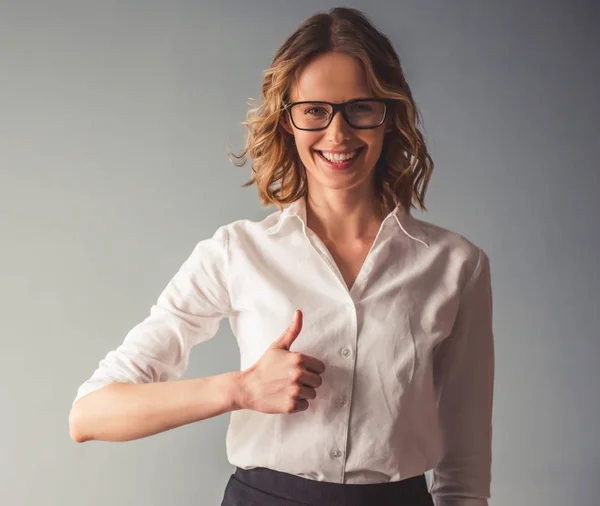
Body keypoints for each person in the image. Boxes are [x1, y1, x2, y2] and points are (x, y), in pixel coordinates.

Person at [69, 7, 494, 506]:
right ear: (287, 120)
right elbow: (90, 414)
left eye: (361, 107)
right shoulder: (236, 253)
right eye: (314, 110)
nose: (338, 134)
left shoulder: (456, 266)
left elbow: (465, 468)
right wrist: (241, 390)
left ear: (389, 116)